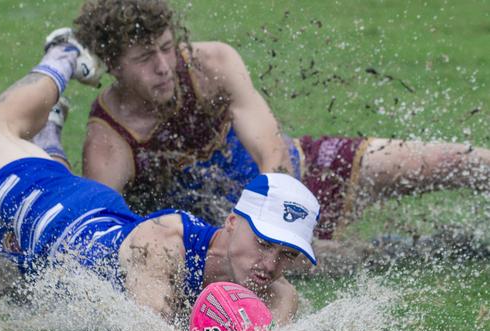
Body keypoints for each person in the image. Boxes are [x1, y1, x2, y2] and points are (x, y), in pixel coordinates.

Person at [35, 0, 490, 242]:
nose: (163, 65)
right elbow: (110, 231)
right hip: (234, 240)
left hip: (299, 175)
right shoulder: (109, 141)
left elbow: (272, 153)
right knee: (362, 259)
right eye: (144, 57)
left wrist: (287, 219)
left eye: (167, 46)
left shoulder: (211, 64)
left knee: (452, 160)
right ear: (113, 64)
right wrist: (257, 245)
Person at [0, 38, 321, 326]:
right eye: (262, 242)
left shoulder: (278, 294)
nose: (271, 265)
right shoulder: (162, 244)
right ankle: (63, 55)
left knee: (13, 279)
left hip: (105, 217)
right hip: (54, 218)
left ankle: (50, 133)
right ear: (231, 221)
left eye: (286, 254)